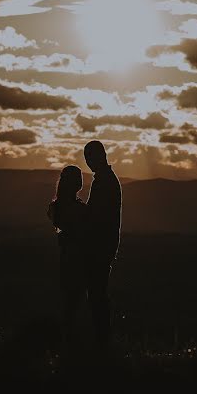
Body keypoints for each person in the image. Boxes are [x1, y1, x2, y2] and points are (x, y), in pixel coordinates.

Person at [83, 140, 122, 347]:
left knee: (97, 294)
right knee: (98, 293)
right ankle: (101, 339)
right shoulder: (107, 179)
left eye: (90, 158)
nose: (89, 163)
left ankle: (102, 340)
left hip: (100, 247)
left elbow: (96, 215)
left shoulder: (104, 181)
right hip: (104, 246)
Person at [47, 165, 87, 344]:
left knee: (70, 302)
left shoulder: (55, 207)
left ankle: (69, 340)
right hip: (77, 259)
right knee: (76, 302)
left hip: (66, 258)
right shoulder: (77, 208)